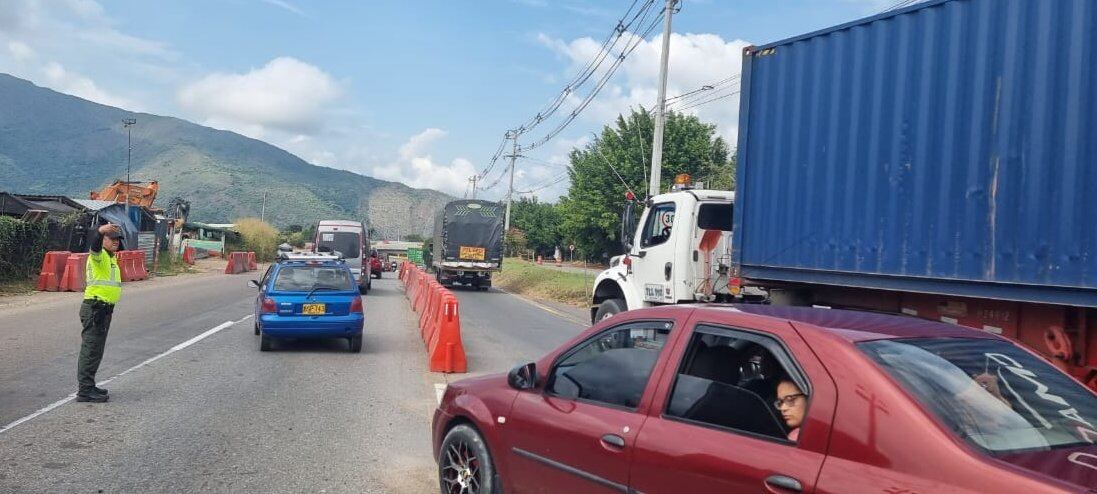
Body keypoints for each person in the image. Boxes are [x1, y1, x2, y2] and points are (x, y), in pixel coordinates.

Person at [77, 222, 124, 403]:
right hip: (95, 308)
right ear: (103, 240)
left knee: (96, 351)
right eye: (111, 238)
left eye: (117, 239)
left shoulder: (111, 258)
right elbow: (94, 247)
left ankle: (89, 385)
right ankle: (85, 390)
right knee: (90, 350)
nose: (115, 242)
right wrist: (99, 232)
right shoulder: (98, 256)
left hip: (104, 310)